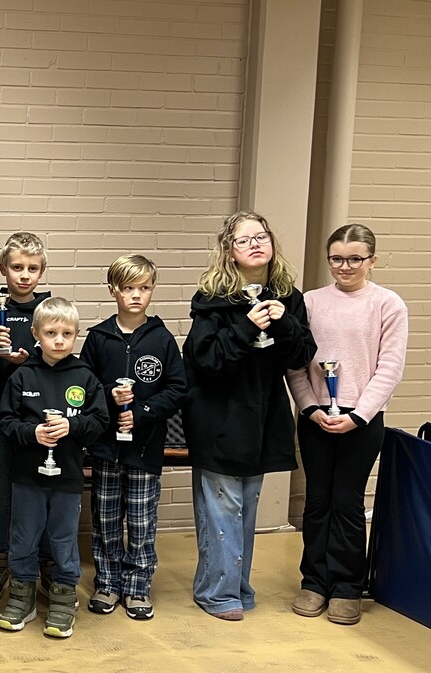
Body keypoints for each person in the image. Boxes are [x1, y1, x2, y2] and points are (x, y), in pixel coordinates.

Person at [184, 211, 316, 621]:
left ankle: (236, 586)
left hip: (261, 419)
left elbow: (301, 355)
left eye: (261, 236)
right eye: (244, 240)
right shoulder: (211, 299)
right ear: (229, 251)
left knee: (246, 508)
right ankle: (217, 593)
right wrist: (245, 327)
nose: (255, 244)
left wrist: (284, 322)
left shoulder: (288, 297)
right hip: (218, 417)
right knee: (222, 509)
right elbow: (205, 361)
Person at [285, 224, 408, 626]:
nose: (345, 266)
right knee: (317, 500)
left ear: (372, 260)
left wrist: (358, 415)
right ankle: (314, 582)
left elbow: (389, 367)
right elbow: (296, 363)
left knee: (347, 502)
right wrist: (309, 408)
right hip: (316, 417)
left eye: (355, 258)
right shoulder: (310, 302)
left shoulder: (388, 304)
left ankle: (346, 587)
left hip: (362, 419)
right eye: (337, 258)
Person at [78, 254, 186, 620]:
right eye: (128, 288)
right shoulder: (98, 338)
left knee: (141, 522)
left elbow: (177, 388)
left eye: (144, 288)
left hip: (144, 448)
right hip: (106, 449)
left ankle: (138, 587)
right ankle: (108, 583)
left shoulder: (162, 339)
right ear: (113, 290)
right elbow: (83, 386)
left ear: (152, 290)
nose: (136, 295)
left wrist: (141, 412)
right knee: (106, 521)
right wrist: (109, 396)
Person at [0, 297, 108, 638]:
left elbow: (100, 421)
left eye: (67, 334)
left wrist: (72, 427)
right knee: (23, 537)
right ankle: (22, 597)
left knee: (62, 539)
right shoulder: (22, 376)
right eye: (51, 333)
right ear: (36, 334)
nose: (59, 341)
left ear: (76, 335)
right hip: (27, 476)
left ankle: (62, 597)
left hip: (68, 478)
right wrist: (33, 433)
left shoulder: (85, 378)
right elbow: (5, 421)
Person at [0, 232, 51, 604]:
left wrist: (29, 361)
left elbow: (61, 359)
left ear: (41, 271)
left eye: (32, 268)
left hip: (38, 419)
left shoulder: (51, 310)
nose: (24, 275)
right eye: (17, 267)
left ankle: (46, 565)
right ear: (2, 268)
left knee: (42, 491)